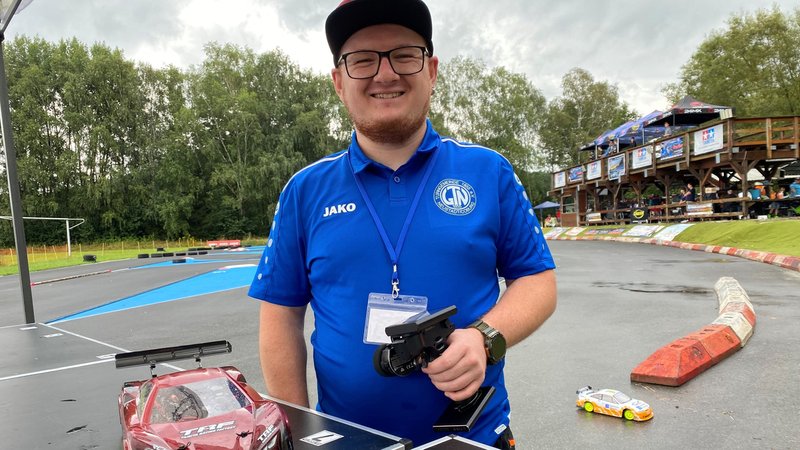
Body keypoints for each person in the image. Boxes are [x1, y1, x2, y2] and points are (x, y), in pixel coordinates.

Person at [248, 1, 557, 447]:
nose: (385, 73)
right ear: (339, 82)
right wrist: (298, 432)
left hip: (473, 438)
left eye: (404, 55)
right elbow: (280, 314)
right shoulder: (305, 190)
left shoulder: (488, 171)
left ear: (431, 71)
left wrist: (485, 337)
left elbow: (537, 280)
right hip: (344, 442)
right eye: (363, 60)